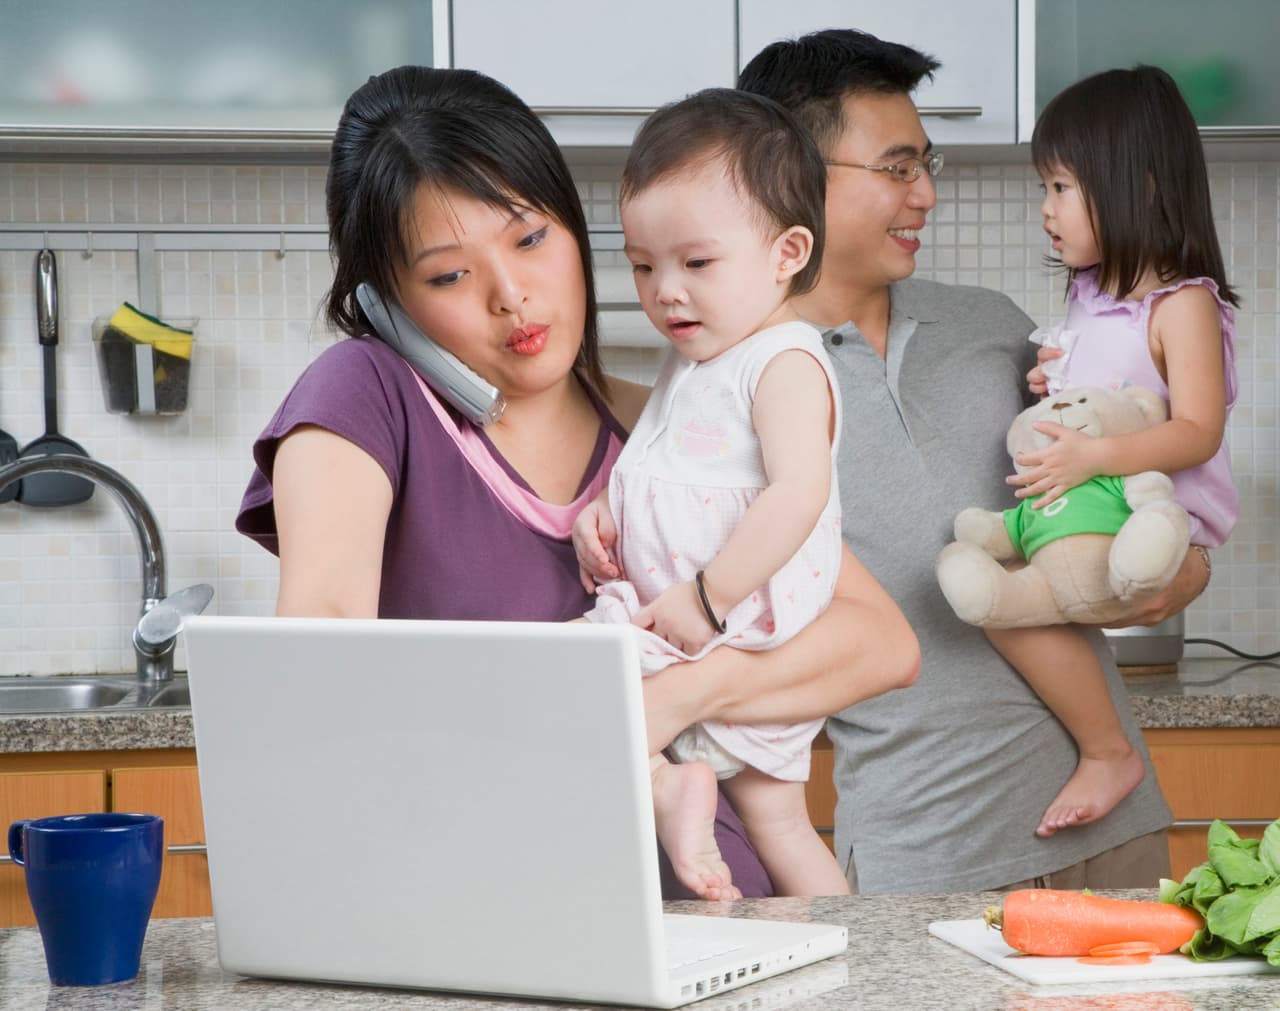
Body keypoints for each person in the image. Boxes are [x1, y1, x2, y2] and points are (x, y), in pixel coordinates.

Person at [234, 65, 920, 900]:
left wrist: (671, 698)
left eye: (530, 239)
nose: (511, 296)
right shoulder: (365, 396)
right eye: (449, 275)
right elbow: (322, 676)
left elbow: (884, 643)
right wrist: (621, 712)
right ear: (389, 298)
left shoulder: (663, 429)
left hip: (720, 918)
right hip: (495, 911)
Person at [740, 30, 1209, 895]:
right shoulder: (741, 385)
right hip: (924, 862)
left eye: (928, 164)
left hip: (1119, 841)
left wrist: (1181, 574)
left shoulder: (993, 325)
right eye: (896, 167)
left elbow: (1129, 482)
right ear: (790, 173)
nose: (924, 194)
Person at [571, 89, 849, 899]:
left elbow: (799, 493)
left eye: (696, 263)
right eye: (643, 264)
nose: (666, 291)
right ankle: (857, 955)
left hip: (733, 622)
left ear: (787, 252)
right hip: (689, 620)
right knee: (779, 822)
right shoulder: (695, 357)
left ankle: (667, 789)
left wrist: (708, 594)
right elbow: (659, 460)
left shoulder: (783, 361)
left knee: (582, 685)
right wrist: (606, 508)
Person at [969, 65, 1241, 838]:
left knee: (1006, 606)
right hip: (1100, 509)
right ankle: (1103, 745)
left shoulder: (1181, 302)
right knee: (998, 601)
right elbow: (1101, 395)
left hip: (1156, 516)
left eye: (1060, 188)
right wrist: (1052, 383)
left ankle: (1107, 751)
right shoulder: (1089, 299)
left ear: (1140, 186)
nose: (1045, 210)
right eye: (1044, 189)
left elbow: (1197, 429)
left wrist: (1092, 458)